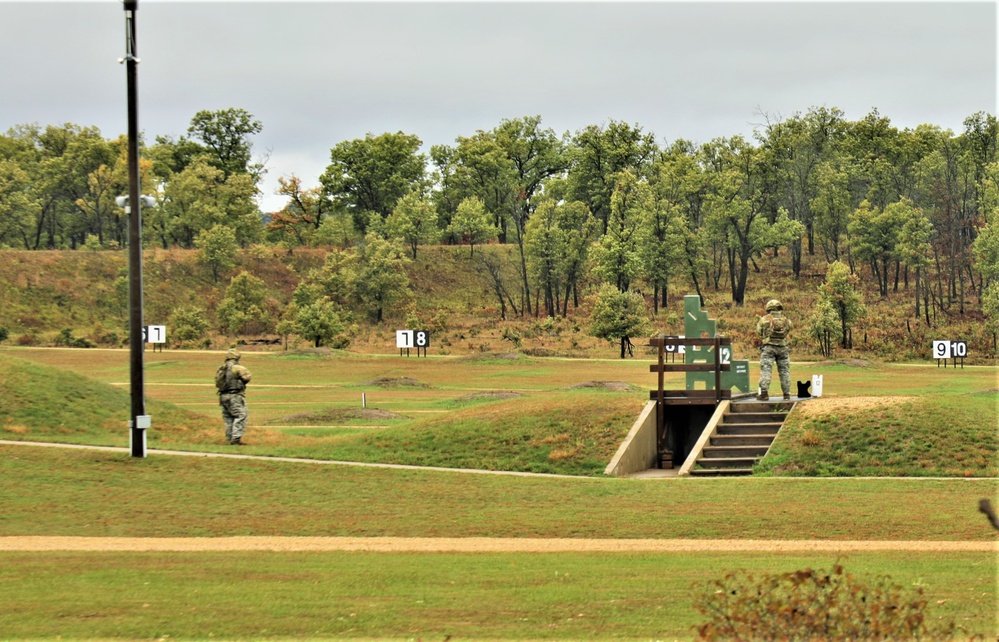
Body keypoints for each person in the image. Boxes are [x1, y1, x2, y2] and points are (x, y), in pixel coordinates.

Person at [756, 299, 792, 401]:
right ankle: (787, 395)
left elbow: (759, 332)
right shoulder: (786, 320)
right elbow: (789, 329)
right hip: (783, 348)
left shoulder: (764, 320)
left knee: (766, 370)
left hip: (768, 348)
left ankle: (764, 394)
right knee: (785, 371)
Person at [216, 348, 252, 445]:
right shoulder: (238, 368)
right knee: (241, 415)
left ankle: (229, 438)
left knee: (228, 418)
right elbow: (247, 377)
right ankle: (236, 439)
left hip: (222, 396)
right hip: (235, 395)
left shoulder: (221, 369)